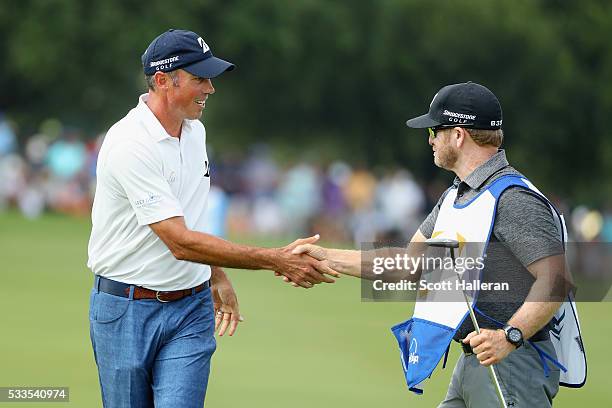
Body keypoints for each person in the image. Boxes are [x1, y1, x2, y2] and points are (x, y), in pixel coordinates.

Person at [87, 29, 338, 408]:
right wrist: (276, 258)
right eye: (199, 78)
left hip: (190, 310)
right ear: (162, 81)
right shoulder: (129, 144)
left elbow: (191, 220)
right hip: (125, 310)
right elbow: (180, 241)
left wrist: (215, 275)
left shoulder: (195, 132)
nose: (210, 88)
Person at [290, 82, 583, 407]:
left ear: (458, 135)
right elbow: (408, 264)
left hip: (510, 363)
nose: (429, 139)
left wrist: (509, 337)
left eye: (435, 130)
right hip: (474, 362)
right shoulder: (455, 195)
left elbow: (557, 280)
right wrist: (326, 256)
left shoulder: (514, 198)